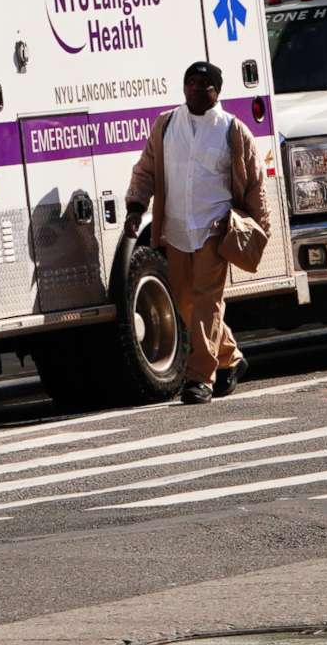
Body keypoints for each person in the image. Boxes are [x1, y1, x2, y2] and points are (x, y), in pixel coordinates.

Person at [123, 61, 270, 404]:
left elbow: (254, 184)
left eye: (204, 83)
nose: (196, 88)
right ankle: (230, 357)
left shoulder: (232, 131)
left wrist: (258, 229)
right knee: (186, 301)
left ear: (217, 90)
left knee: (207, 302)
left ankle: (200, 378)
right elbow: (146, 169)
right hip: (176, 229)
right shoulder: (166, 124)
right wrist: (135, 206)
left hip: (214, 229)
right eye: (190, 81)